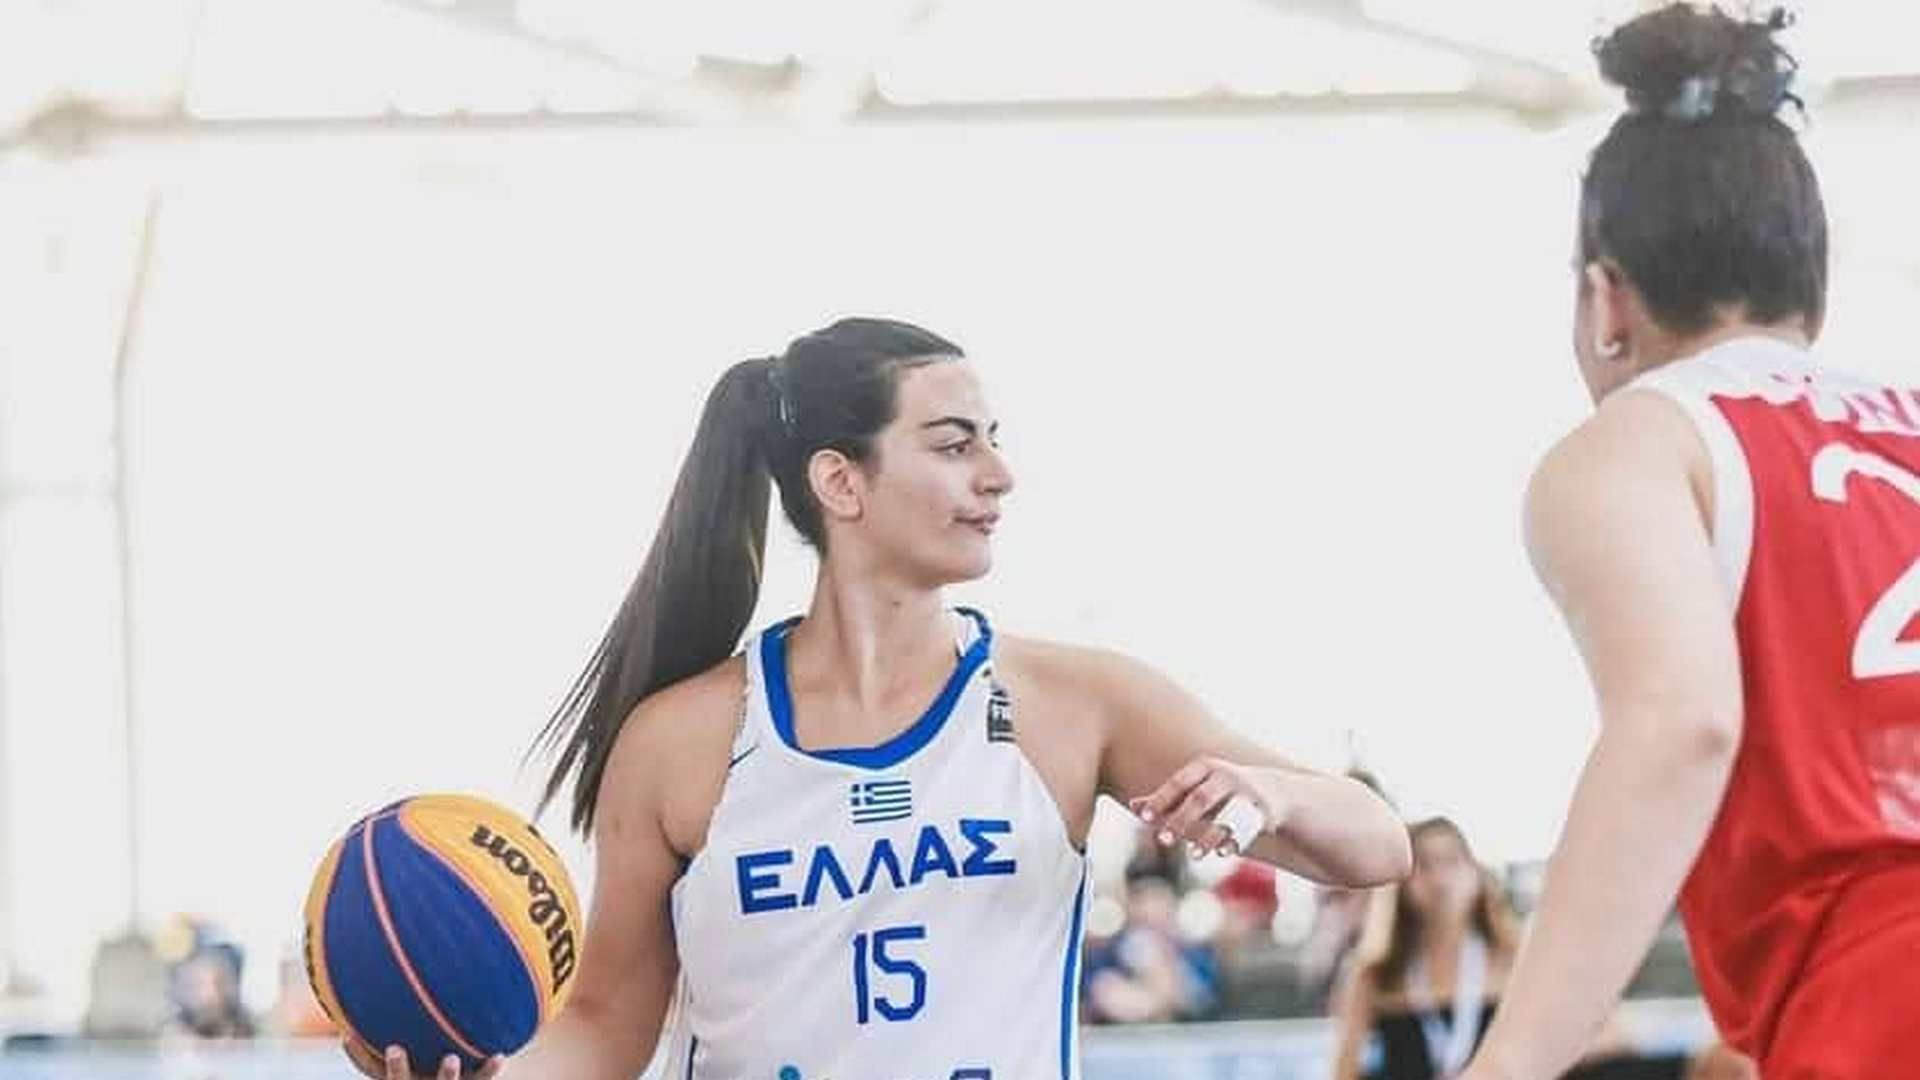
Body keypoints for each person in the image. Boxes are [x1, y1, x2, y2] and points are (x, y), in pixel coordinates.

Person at [348, 317, 1410, 1079]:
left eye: (994, 439)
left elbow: (1378, 845)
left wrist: (1274, 794)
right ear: (840, 483)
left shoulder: (1075, 702)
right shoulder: (682, 740)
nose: (999, 474)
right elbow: (609, 1020)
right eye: (954, 444)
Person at [1460, 6, 1920, 1079]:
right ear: (1812, 286)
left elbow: (1682, 724)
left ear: (1604, 298)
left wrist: (1508, 1064)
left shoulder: (1645, 441)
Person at [1331, 818, 1519, 1079]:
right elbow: (1344, 1069)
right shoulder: (1374, 974)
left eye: (1452, 861)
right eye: (1425, 865)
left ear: (1476, 872)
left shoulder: (1514, 962)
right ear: (1402, 883)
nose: (1440, 879)